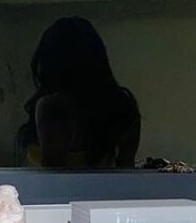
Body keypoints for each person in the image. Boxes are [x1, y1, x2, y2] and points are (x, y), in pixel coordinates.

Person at [15, 16, 140, 168]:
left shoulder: (53, 107)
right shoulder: (121, 106)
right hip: (106, 184)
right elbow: (126, 169)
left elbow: (53, 173)